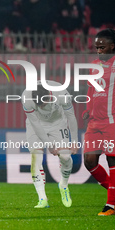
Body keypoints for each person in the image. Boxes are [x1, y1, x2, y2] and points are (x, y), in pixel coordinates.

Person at [82, 28, 115, 216]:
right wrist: (87, 109)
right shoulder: (94, 65)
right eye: (97, 47)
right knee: (89, 161)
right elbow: (90, 89)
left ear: (112, 46)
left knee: (112, 158)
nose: (99, 50)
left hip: (113, 120)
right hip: (94, 122)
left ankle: (110, 205)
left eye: (102, 47)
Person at [21, 80, 78, 208]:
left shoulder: (62, 94)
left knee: (65, 157)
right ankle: (42, 199)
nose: (41, 107)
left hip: (57, 123)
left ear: (50, 95)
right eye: (38, 105)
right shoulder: (26, 98)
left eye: (43, 104)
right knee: (36, 158)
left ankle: (63, 185)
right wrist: (49, 145)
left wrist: (74, 141)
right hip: (35, 125)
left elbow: (71, 116)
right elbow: (35, 124)